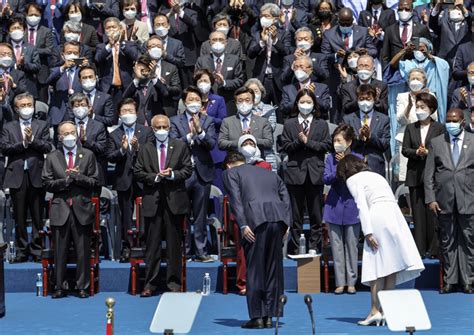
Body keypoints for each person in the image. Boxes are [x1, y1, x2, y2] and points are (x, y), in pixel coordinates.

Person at [337, 155, 424, 325]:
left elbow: (362, 205)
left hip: (377, 216)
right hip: (394, 216)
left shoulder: (352, 180)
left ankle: (374, 311)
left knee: (376, 267)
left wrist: (368, 232)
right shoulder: (377, 175)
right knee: (391, 265)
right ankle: (385, 310)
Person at [223, 151, 291, 329]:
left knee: (254, 269)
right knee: (273, 269)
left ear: (228, 164)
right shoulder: (267, 172)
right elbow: (285, 193)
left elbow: (235, 200)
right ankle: (270, 315)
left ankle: (257, 317)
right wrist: (287, 222)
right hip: (277, 219)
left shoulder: (231, 173)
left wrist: (243, 224)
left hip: (254, 221)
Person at [133, 114, 193, 297]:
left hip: (174, 201)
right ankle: (150, 284)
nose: (161, 130)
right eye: (157, 127)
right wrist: (156, 177)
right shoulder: (145, 148)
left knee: (174, 246)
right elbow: (138, 171)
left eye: (164, 127)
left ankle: (173, 283)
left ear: (170, 128)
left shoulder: (180, 146)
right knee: (152, 247)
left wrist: (172, 174)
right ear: (152, 129)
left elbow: (187, 170)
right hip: (153, 201)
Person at [41, 121, 99, 299]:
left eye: (72, 132)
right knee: (60, 251)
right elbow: (46, 182)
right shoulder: (52, 157)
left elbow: (94, 181)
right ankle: (60, 286)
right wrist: (65, 180)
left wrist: (77, 177)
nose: (69, 136)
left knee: (82, 250)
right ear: (59, 137)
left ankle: (82, 286)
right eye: (65, 133)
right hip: (61, 209)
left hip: (82, 209)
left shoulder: (88, 155)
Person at [424, 108, 474, 294]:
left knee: (469, 241)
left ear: (462, 121)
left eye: (454, 120)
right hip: (443, 200)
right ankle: (450, 280)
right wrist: (431, 199)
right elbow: (428, 174)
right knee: (448, 241)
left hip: (468, 199)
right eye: (448, 120)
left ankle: (468, 280)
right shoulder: (437, 142)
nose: (451, 123)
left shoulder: (473, 141)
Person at [0, 93, 52, 262]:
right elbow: (5, 148)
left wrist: (32, 141)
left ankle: (37, 249)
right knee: (20, 217)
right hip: (16, 176)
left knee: (37, 216)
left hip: (36, 175)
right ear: (16, 109)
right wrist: (23, 144)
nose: (27, 108)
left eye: (29, 104)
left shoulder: (42, 125)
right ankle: (22, 250)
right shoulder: (9, 126)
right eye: (23, 105)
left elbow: (47, 146)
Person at [280, 88, 332, 255]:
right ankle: (296, 247)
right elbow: (285, 147)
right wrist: (299, 141)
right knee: (296, 216)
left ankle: (314, 246)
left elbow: (325, 146)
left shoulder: (321, 124)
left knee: (316, 214)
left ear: (314, 104)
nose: (305, 105)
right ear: (297, 103)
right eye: (302, 102)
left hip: (315, 173)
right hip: (296, 174)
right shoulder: (289, 123)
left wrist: (308, 142)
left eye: (309, 102)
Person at [170, 86, 217, 262]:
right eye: (190, 100)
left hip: (202, 173)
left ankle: (201, 250)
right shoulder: (175, 121)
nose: (194, 103)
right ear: (184, 102)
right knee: (182, 213)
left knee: (201, 214)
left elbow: (212, 143)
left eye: (197, 100)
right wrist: (190, 135)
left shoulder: (208, 120)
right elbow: (173, 143)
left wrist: (201, 132)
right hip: (183, 173)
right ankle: (185, 250)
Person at [107, 98, 154, 263]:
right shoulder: (114, 134)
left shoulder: (146, 132)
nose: (128, 114)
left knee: (146, 213)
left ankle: (144, 244)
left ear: (137, 113)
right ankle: (127, 247)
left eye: (131, 111)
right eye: (124, 111)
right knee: (125, 215)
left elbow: (151, 153)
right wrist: (122, 150)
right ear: (119, 114)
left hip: (142, 179)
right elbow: (110, 156)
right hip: (123, 180)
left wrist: (139, 148)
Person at [402, 92, 445, 258]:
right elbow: (405, 149)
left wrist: (429, 152)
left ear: (431, 109)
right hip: (415, 174)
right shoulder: (410, 128)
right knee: (418, 215)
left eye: (423, 107)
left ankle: (434, 250)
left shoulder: (439, 128)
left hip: (433, 177)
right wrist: (417, 152)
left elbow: (442, 149)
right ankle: (419, 250)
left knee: (433, 214)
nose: (419, 110)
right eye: (417, 107)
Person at [322, 124, 362, 295]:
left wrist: (346, 162)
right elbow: (326, 178)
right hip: (334, 206)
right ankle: (340, 282)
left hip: (352, 206)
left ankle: (352, 281)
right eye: (334, 140)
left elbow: (359, 178)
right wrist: (338, 166)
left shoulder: (358, 157)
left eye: (339, 140)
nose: (335, 143)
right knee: (337, 247)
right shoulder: (330, 158)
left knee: (352, 245)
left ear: (349, 141)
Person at [395, 68, 436, 182]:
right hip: (406, 138)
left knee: (427, 175)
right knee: (407, 176)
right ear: (408, 81)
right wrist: (409, 106)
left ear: (424, 82)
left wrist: (426, 100)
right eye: (412, 78)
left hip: (426, 137)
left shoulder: (430, 95)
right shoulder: (402, 96)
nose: (415, 81)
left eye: (418, 78)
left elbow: (434, 118)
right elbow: (400, 120)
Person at [247, 3, 291, 105]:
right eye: (261, 16)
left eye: (266, 16)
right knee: (260, 112)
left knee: (280, 112)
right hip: (261, 79)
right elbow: (250, 53)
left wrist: (275, 40)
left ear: (275, 19)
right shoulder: (257, 34)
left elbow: (287, 53)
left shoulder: (284, 34)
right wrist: (262, 42)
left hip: (278, 79)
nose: (263, 19)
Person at [399, 37, 450, 124]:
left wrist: (428, 55)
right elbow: (394, 64)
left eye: (422, 48)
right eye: (417, 48)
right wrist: (405, 50)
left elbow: (445, 66)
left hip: (431, 99)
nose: (419, 51)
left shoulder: (434, 62)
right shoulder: (409, 63)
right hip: (414, 98)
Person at [342, 84, 390, 177]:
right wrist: (358, 137)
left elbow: (385, 144)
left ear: (374, 99)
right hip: (353, 165)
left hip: (375, 166)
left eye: (368, 99)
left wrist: (371, 136)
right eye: (361, 99)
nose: (364, 102)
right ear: (357, 99)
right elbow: (344, 142)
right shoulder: (348, 119)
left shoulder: (383, 119)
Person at [195, 30, 244, 112]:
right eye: (214, 40)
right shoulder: (202, 60)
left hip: (228, 101)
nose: (217, 42)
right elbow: (196, 79)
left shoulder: (234, 60)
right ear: (210, 43)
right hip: (207, 102)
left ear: (226, 43)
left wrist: (224, 83)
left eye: (221, 40)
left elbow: (240, 80)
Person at [218, 87, 273, 155]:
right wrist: (241, 140)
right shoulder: (227, 122)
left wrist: (251, 139)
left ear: (253, 102)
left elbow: (269, 143)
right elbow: (221, 143)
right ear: (236, 103)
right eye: (240, 101)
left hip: (256, 162)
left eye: (247, 100)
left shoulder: (263, 122)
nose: (244, 103)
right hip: (235, 161)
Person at [280, 55, 331, 120]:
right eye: (296, 67)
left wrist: (313, 96)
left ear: (310, 70)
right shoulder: (287, 89)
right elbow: (283, 109)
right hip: (295, 123)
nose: (298, 70)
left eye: (301, 67)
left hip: (316, 123)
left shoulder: (322, 88)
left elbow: (326, 107)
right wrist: (299, 97)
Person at [24, 2, 55, 103]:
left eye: (36, 15)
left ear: (41, 16)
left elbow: (49, 50)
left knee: (42, 104)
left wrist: (32, 50)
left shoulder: (46, 31)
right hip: (25, 73)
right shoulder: (21, 31)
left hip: (42, 73)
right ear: (26, 15)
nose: (33, 17)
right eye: (31, 14)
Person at [144, 36, 182, 117]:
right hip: (147, 108)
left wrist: (165, 85)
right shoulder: (141, 66)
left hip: (167, 108)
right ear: (147, 50)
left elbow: (177, 89)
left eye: (158, 46)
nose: (155, 48)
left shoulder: (171, 67)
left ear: (163, 49)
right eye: (152, 46)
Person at [429, 0, 471, 68]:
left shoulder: (467, 18)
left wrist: (462, 8)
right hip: (445, 61)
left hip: (463, 61)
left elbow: (470, 22)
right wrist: (437, 6)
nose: (456, 7)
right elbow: (432, 25)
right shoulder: (442, 17)